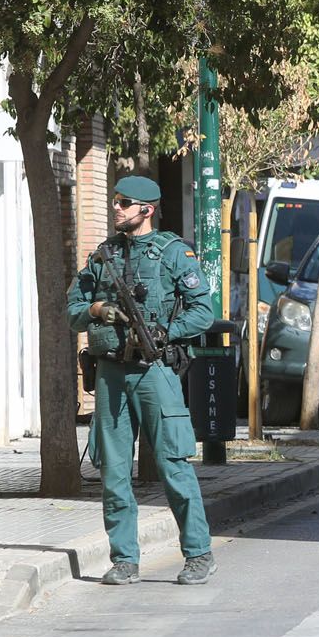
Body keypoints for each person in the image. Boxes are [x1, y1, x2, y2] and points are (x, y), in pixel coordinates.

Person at [67, 176, 218, 585]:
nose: (116, 207)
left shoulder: (173, 252)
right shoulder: (103, 256)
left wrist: (166, 333)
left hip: (154, 372)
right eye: (114, 200)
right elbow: (72, 309)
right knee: (114, 471)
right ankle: (125, 560)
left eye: (124, 202)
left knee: (173, 465)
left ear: (146, 210)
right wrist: (98, 309)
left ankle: (199, 553)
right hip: (112, 373)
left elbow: (203, 310)